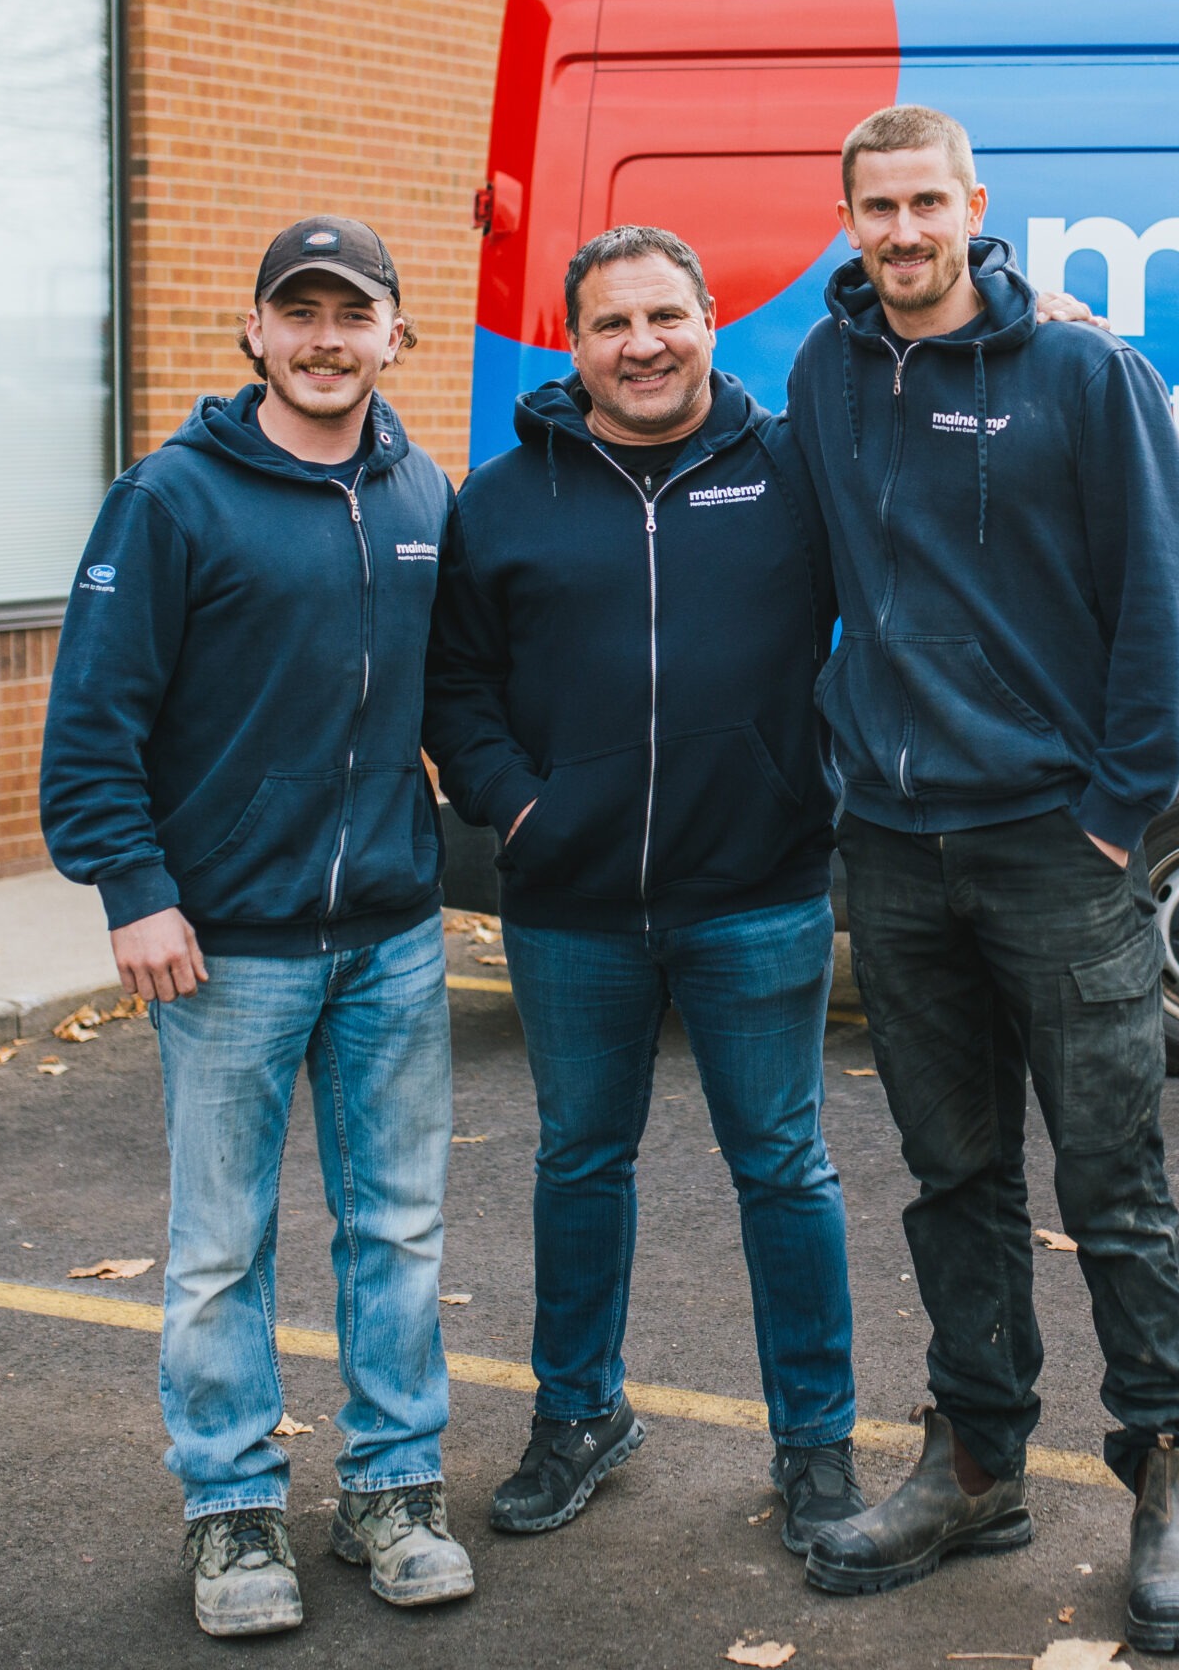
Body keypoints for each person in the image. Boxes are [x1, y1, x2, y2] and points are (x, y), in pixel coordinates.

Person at [784, 107, 1179, 1654]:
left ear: (975, 207)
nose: (902, 231)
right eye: (875, 207)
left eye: (926, 203)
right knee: (955, 1177)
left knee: (1115, 1186)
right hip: (899, 858)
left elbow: (1163, 606)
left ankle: (1167, 1479)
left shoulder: (1085, 374)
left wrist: (1115, 813)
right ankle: (977, 1458)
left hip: (1057, 849)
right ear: (845, 219)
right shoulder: (827, 374)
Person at [39, 217, 473, 1638]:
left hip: (394, 940)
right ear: (256, 332)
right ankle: (232, 1513)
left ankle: (392, 1490)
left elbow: (459, 696)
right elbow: (93, 723)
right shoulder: (171, 498)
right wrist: (135, 888)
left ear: (395, 336)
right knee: (221, 1243)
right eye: (301, 312)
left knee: (395, 1228)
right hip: (225, 946)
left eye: (354, 314)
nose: (327, 337)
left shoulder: (423, 491)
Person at [422, 225, 868, 1555]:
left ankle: (817, 1443)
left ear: (712, 321)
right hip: (573, 905)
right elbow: (457, 683)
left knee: (784, 1167)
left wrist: (820, 770)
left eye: (665, 315)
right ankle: (578, 1416)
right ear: (576, 344)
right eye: (613, 323)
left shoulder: (793, 469)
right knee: (579, 1162)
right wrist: (518, 806)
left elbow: (903, 599)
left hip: (760, 888)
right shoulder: (502, 497)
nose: (643, 344)